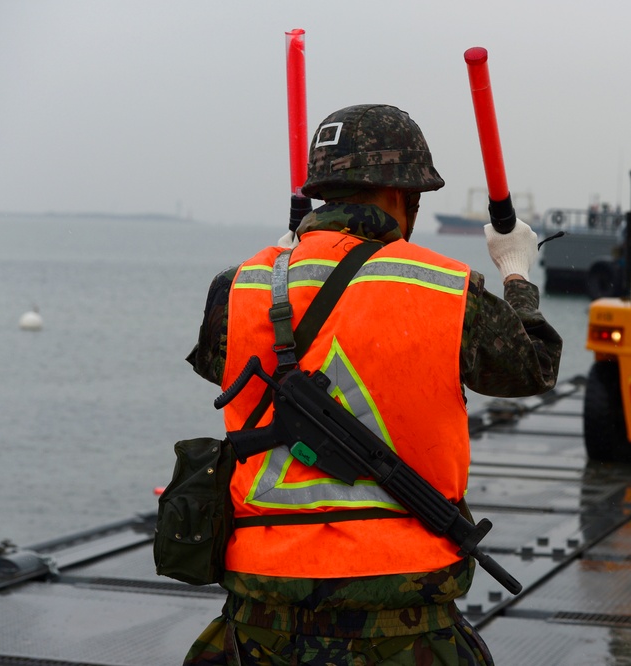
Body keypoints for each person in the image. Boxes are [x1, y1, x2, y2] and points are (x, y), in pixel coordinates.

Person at [183, 104, 563, 665]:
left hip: (260, 607)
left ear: (321, 192)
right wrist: (516, 275)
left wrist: (282, 266)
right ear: (401, 194)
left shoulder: (236, 287)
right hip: (401, 610)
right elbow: (534, 367)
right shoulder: (445, 288)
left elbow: (221, 367)